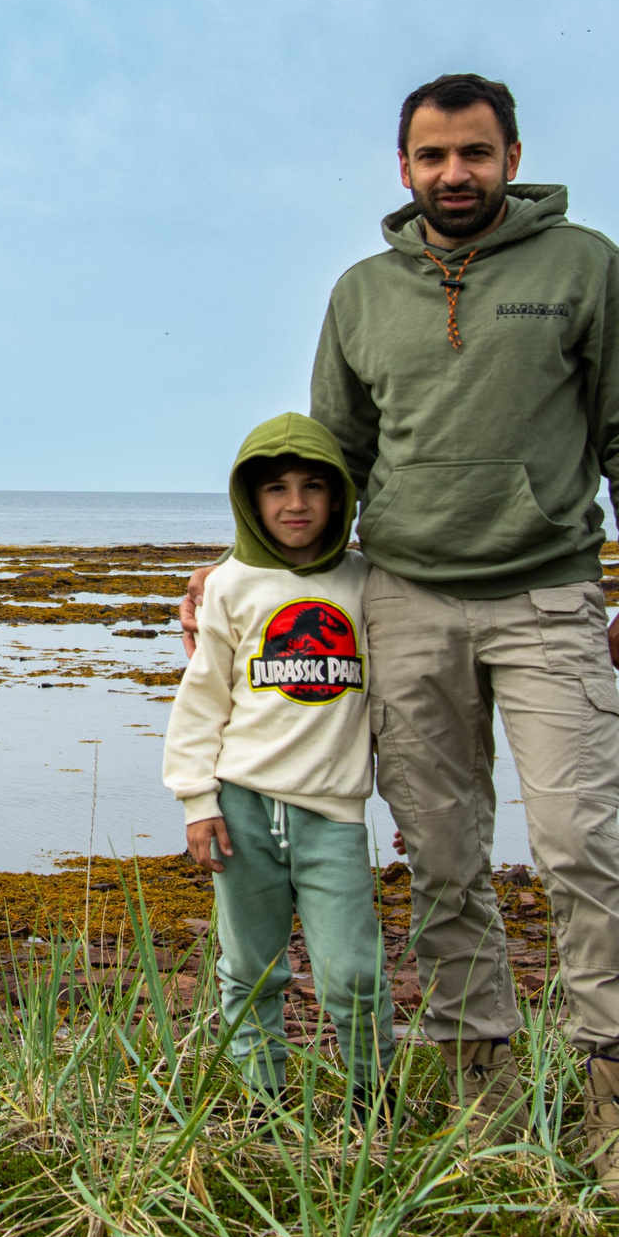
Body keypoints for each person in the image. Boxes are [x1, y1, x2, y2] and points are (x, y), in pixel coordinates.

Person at [180, 72, 619, 1205]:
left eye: (474, 152)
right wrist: (234, 574)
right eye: (430, 157)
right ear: (401, 168)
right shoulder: (361, 292)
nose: (453, 173)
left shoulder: (585, 268)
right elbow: (323, 464)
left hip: (550, 595)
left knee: (578, 848)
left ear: (512, 154)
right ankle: (481, 1082)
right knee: (443, 860)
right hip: (402, 602)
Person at [164, 413, 394, 1120]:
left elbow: (398, 703)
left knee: (353, 971)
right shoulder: (230, 585)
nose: (295, 503)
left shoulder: (366, 583)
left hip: (333, 814)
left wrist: (413, 804)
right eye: (276, 489)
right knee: (251, 966)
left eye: (314, 486)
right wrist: (196, 800)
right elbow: (202, 698)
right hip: (242, 808)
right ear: (250, 500)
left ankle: (373, 1102)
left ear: (338, 497)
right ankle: (264, 1103)